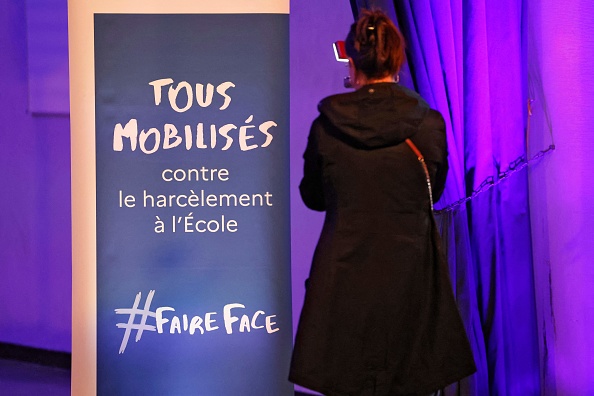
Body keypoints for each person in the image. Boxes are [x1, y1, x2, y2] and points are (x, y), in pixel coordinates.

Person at [289, 9, 476, 396]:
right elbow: (434, 193)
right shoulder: (429, 123)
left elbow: (312, 198)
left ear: (354, 62)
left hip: (342, 285)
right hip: (411, 281)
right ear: (397, 59)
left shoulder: (326, 125)